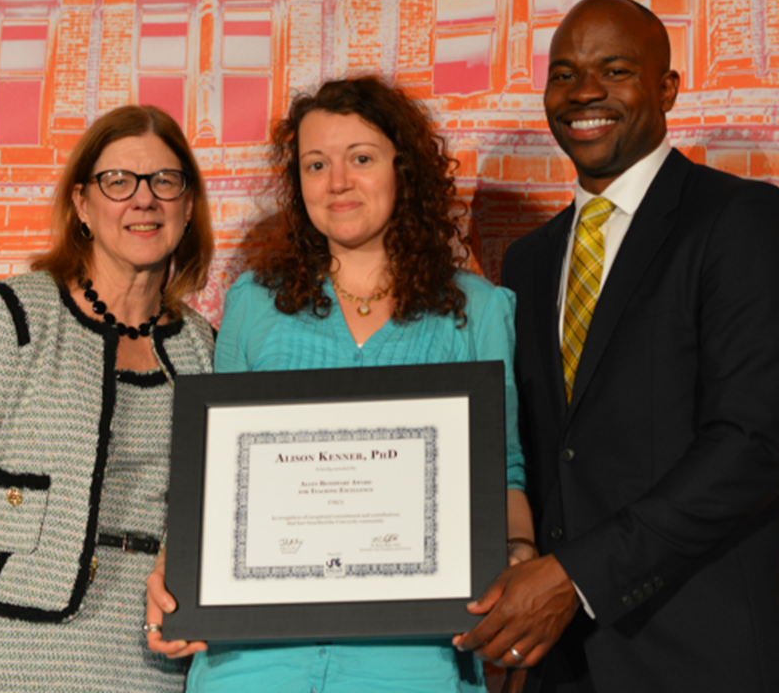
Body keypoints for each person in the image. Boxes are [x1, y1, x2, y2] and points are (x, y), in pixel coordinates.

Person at [453, 0, 779, 691]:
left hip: (708, 652)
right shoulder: (530, 261)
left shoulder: (740, 220)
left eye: (614, 69)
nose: (584, 92)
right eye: (563, 74)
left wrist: (575, 577)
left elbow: (750, 445)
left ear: (667, 87)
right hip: (561, 662)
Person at [146, 75, 535, 692]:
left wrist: (516, 563)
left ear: (402, 169)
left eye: (361, 158)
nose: (337, 182)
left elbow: (504, 474)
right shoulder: (254, 302)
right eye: (316, 164)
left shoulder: (479, 310)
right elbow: (215, 478)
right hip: (254, 664)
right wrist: (176, 572)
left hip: (416, 661)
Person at [0, 105, 217, 692]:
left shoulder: (205, 351)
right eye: (117, 182)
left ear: (188, 206)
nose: (143, 200)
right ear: (81, 205)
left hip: (146, 668)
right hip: (3, 659)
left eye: (165, 182)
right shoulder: (12, 319)